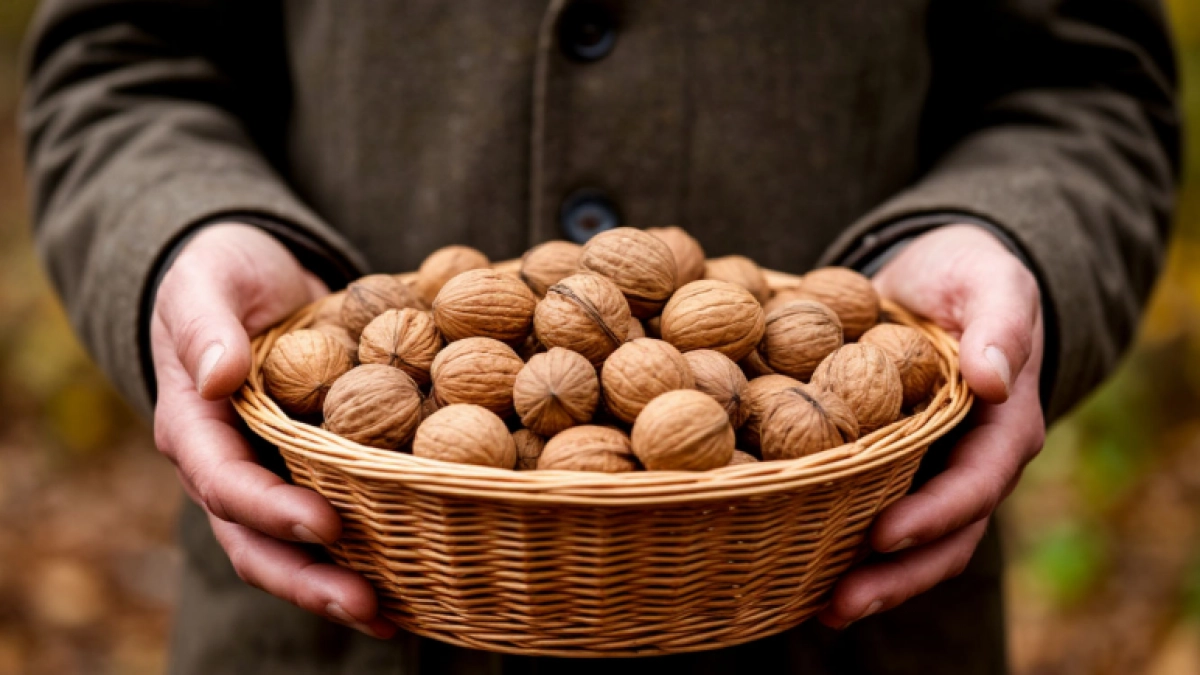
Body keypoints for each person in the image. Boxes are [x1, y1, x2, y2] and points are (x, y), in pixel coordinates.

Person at [20, 0, 1179, 673]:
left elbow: (1084, 82)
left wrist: (1008, 241)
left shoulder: (729, 356)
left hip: (843, 604)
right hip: (335, 606)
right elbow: (121, 56)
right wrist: (185, 237)